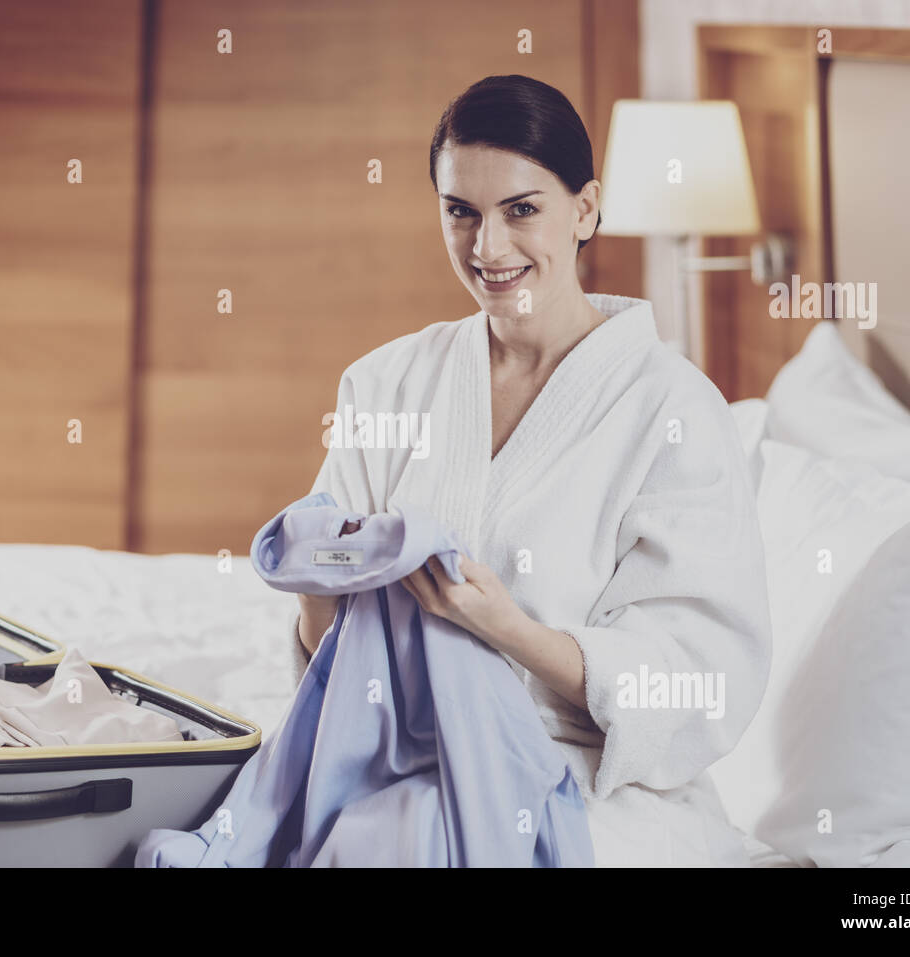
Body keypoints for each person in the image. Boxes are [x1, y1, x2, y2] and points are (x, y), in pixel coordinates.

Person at [290, 74, 772, 867]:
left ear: (585, 209)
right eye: (461, 212)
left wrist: (513, 631)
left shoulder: (672, 408)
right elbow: (327, 658)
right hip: (390, 755)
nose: (488, 249)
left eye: (522, 210)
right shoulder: (384, 382)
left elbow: (696, 680)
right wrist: (315, 585)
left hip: (588, 784)